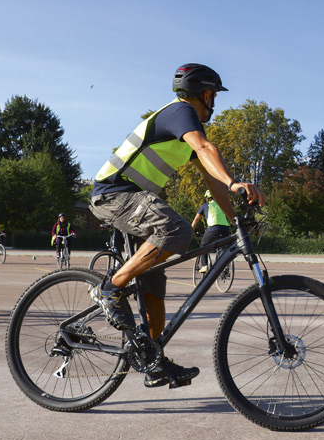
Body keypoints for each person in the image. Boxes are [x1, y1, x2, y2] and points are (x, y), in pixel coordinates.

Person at [88, 63, 265, 388]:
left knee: (154, 281)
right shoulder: (181, 114)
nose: (215, 103)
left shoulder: (188, 125)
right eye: (214, 97)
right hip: (113, 194)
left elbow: (213, 183)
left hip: (132, 197)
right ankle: (110, 288)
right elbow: (207, 150)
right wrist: (235, 181)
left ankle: (152, 359)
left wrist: (235, 217)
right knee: (179, 230)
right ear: (207, 94)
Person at [191, 189, 231, 273]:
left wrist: (191, 231)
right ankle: (224, 265)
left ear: (207, 198)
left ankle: (205, 265)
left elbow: (196, 220)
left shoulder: (205, 206)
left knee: (203, 246)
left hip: (213, 228)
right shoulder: (222, 205)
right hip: (225, 228)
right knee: (224, 246)